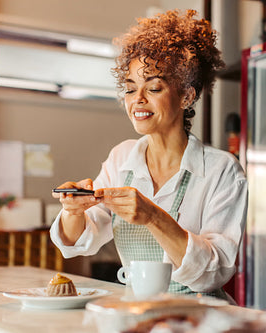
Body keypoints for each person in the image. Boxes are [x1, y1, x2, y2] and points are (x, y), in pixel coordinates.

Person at [50, 9, 248, 300]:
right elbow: (81, 241)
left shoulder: (222, 170)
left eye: (153, 87)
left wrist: (154, 216)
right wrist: (73, 211)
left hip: (201, 316)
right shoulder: (122, 158)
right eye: (130, 89)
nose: (137, 100)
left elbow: (213, 274)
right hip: (139, 310)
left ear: (186, 96)